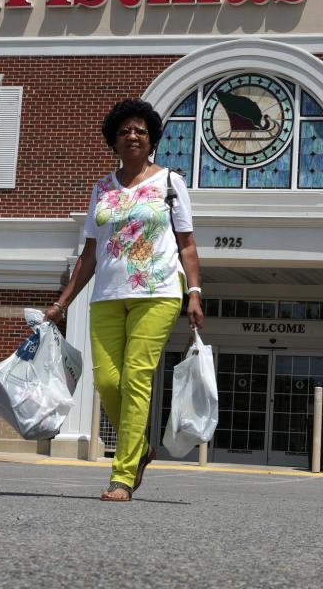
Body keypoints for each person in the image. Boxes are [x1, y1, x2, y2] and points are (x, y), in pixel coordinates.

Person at [44, 98, 204, 502]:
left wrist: (195, 293)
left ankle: (122, 474)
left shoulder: (170, 182)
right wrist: (62, 303)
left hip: (159, 292)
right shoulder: (101, 188)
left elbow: (187, 245)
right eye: (124, 131)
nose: (133, 136)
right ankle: (142, 448)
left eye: (140, 131)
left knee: (136, 377)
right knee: (106, 380)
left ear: (151, 141)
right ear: (113, 141)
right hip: (107, 296)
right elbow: (90, 254)